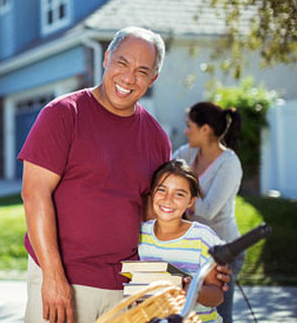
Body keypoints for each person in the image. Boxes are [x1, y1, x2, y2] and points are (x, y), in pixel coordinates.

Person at [19, 27, 229, 323]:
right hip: (64, 280)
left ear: (153, 79)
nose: (129, 78)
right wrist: (53, 278)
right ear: (106, 59)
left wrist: (203, 265)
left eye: (143, 71)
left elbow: (155, 215)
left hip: (128, 286)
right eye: (122, 63)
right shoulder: (64, 114)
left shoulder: (157, 138)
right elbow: (34, 194)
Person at [173, 101, 243, 323]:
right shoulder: (187, 152)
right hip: (194, 245)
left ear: (205, 129)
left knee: (221, 315)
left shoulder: (229, 163)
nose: (186, 131)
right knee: (191, 311)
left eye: (189, 126)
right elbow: (165, 175)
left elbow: (208, 210)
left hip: (224, 251)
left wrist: (176, 196)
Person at [139, 159, 223, 323]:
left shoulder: (203, 238)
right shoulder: (141, 234)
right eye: (162, 190)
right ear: (152, 192)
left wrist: (193, 291)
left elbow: (217, 295)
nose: (168, 199)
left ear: (191, 201)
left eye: (179, 194)